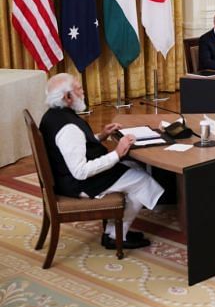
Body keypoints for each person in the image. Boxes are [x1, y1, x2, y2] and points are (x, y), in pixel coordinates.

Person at [39, 73, 164, 249]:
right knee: (143, 181)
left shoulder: (53, 116)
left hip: (64, 177)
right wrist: (117, 153)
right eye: (78, 88)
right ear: (67, 97)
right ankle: (115, 235)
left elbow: (72, 149)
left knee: (133, 166)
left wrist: (100, 136)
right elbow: (80, 171)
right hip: (78, 184)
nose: (83, 91)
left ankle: (114, 231)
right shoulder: (68, 128)